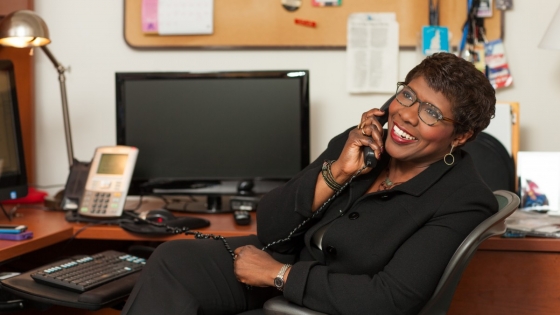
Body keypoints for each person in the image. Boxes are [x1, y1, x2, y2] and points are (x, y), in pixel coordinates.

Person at [121, 52, 498, 315]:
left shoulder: (463, 199)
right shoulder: (363, 142)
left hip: (331, 302)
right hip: (292, 269)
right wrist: (339, 172)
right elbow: (271, 231)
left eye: (431, 112)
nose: (408, 115)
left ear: (460, 136)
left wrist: (279, 275)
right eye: (408, 95)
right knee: (172, 261)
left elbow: (391, 300)